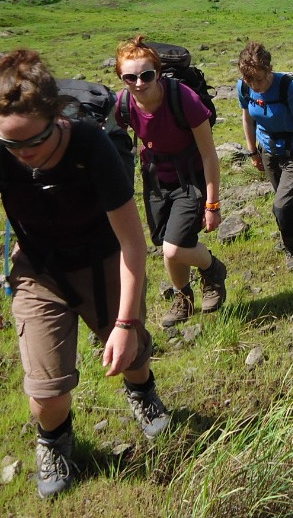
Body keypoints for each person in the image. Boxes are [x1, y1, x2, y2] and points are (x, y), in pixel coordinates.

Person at [0, 50, 169, 499]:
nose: (24, 156)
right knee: (46, 392)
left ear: (56, 116)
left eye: (32, 142)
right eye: (10, 146)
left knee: (130, 353)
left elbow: (133, 246)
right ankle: (54, 442)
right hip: (39, 270)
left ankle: (143, 390)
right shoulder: (4, 151)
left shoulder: (92, 148)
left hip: (104, 260)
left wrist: (127, 324)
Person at [114, 36, 226, 326]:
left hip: (190, 179)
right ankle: (184, 299)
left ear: (158, 73)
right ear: (121, 78)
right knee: (167, 243)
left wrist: (212, 204)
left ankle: (213, 270)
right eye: (130, 77)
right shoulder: (123, 103)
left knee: (173, 248)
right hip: (155, 181)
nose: (139, 83)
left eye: (146, 75)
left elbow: (209, 155)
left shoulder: (183, 98)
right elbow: (111, 143)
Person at [238, 42, 293, 269]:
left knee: (281, 206)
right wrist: (252, 150)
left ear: (269, 69)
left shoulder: (288, 88)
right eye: (250, 80)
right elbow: (248, 119)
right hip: (268, 150)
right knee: (290, 199)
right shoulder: (244, 88)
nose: (257, 86)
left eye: (261, 79)